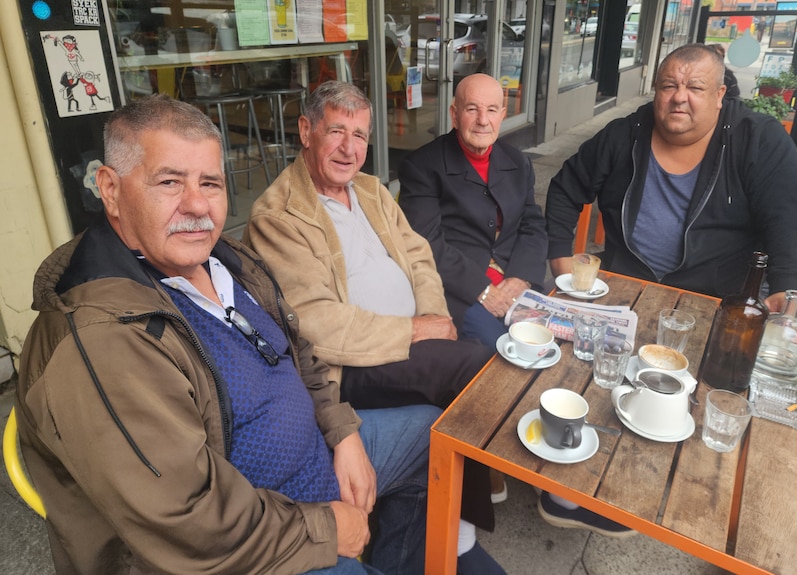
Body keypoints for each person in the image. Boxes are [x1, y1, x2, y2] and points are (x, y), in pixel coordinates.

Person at [15, 94, 442, 575]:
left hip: (315, 464)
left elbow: (298, 349)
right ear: (110, 189)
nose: (196, 205)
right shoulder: (101, 341)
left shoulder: (224, 261)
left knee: (434, 436)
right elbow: (189, 520)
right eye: (169, 181)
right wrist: (327, 528)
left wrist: (343, 435)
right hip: (248, 547)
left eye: (210, 183)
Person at [244, 81, 504, 573]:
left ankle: (429, 536)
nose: (349, 148)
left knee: (470, 362)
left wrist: (437, 319)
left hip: (410, 341)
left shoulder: (370, 190)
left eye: (359, 135)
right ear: (306, 131)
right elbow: (316, 323)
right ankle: (461, 538)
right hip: (352, 364)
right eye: (336, 131)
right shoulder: (278, 215)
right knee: (474, 368)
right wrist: (412, 331)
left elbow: (420, 257)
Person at [546, 43, 797, 334]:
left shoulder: (759, 141)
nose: (679, 97)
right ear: (656, 92)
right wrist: (559, 257)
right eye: (668, 86)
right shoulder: (624, 134)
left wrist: (790, 289)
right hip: (622, 289)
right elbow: (566, 187)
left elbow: (787, 222)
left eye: (695, 88)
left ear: (719, 95)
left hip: (713, 302)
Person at [397, 73, 548, 349]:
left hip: (516, 282)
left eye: (491, 110)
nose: (482, 120)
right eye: (472, 109)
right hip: (461, 290)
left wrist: (521, 277)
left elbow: (532, 225)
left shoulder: (517, 162)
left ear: (502, 115)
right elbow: (425, 243)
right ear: (454, 115)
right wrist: (482, 289)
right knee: (502, 350)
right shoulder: (422, 166)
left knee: (551, 343)